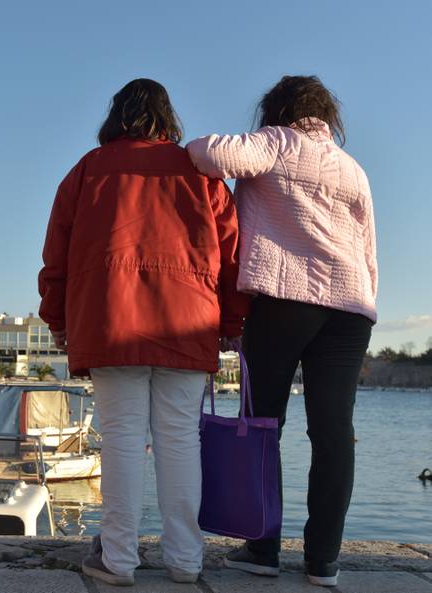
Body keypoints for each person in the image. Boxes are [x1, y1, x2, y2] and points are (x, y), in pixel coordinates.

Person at [38, 78, 250, 586]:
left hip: (111, 322)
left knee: (121, 440)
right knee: (180, 441)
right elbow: (232, 256)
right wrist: (230, 322)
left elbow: (57, 256)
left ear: (117, 116)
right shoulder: (202, 175)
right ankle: (185, 560)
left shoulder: (87, 171)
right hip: (187, 321)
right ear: (167, 117)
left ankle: (118, 559)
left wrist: (59, 319)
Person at [187, 75, 377, 588]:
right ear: (326, 116)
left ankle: (264, 547)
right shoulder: (354, 170)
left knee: (263, 423)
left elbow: (206, 153)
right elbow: (368, 252)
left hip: (284, 298)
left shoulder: (274, 143)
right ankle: (324, 562)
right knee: (334, 432)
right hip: (352, 307)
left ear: (277, 110)